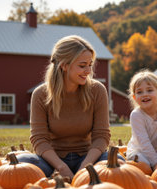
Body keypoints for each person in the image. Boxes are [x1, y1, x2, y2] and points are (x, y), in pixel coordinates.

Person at [17, 35, 111, 179]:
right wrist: (61, 167)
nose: (88, 71)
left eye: (90, 65)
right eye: (82, 65)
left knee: (115, 163)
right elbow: (39, 139)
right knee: (23, 164)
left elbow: (101, 136)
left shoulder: (97, 90)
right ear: (64, 65)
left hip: (88, 158)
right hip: (52, 161)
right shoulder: (40, 94)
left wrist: (86, 167)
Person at [125, 70, 157, 169]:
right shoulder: (136, 115)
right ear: (134, 97)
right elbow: (144, 143)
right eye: (139, 92)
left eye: (149, 90)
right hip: (139, 152)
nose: (144, 94)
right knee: (143, 165)